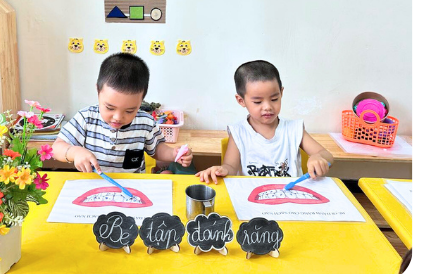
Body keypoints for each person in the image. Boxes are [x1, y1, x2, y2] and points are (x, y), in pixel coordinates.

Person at [196, 60, 333, 184]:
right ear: (241, 100)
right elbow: (230, 166)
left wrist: (318, 157)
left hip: (290, 196)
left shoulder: (294, 129)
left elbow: (327, 155)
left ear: (281, 93)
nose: (267, 107)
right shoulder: (239, 132)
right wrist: (221, 170)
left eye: (274, 99)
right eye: (257, 102)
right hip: (251, 197)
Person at [52, 53, 193, 173]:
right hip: (94, 186)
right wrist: (74, 152)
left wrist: (173, 153)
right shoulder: (86, 118)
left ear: (141, 100)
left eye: (130, 110)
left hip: (133, 188)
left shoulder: (145, 122)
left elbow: (157, 149)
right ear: (98, 91)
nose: (118, 117)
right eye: (110, 108)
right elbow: (57, 147)